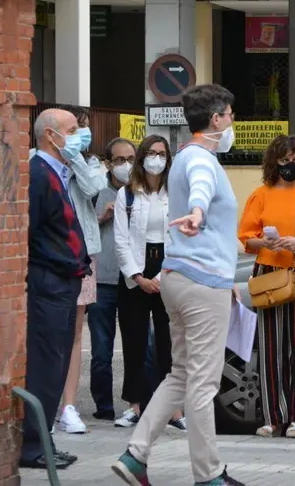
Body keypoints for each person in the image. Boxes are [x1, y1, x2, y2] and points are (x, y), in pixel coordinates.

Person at [112, 84, 244, 486]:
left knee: (181, 374)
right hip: (204, 283)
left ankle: (135, 455)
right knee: (202, 382)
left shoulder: (184, 156)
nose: (233, 122)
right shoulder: (203, 160)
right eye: (231, 115)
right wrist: (199, 212)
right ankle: (208, 476)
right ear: (217, 118)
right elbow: (202, 189)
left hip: (177, 277)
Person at [238, 134, 295, 439]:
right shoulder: (260, 195)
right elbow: (245, 238)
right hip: (268, 271)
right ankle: (272, 416)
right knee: (270, 347)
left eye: (294, 160)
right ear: (273, 162)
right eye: (283, 160)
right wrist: (265, 241)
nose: (289, 165)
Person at [21, 108, 91, 470]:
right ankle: (33, 445)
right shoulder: (38, 174)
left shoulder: (58, 173)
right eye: (73, 129)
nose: (80, 135)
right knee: (46, 367)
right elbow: (28, 233)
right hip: (48, 283)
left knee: (56, 364)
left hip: (63, 282)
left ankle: (42, 441)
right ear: (51, 134)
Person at [113, 135, 185, 431]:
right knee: (134, 340)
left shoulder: (176, 193)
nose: (157, 158)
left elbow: (180, 236)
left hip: (166, 268)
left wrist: (159, 276)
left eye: (162, 154)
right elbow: (120, 241)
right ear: (142, 157)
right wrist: (138, 277)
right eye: (151, 153)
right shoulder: (127, 194)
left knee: (170, 343)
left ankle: (174, 410)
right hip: (134, 271)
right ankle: (135, 404)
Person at [57, 109, 107, 435]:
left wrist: (74, 158)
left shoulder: (89, 165)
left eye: (84, 131)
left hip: (83, 254)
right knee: (49, 331)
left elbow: (92, 189)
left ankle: (69, 406)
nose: (82, 135)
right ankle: (47, 402)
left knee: (75, 332)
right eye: (76, 130)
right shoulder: (39, 161)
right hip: (51, 255)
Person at [87, 137, 136, 421]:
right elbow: (81, 229)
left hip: (132, 279)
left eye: (130, 159)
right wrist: (103, 217)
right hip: (102, 280)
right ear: (108, 163)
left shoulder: (140, 189)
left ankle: (136, 404)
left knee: (139, 346)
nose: (125, 165)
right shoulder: (95, 190)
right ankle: (103, 407)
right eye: (119, 160)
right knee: (101, 350)